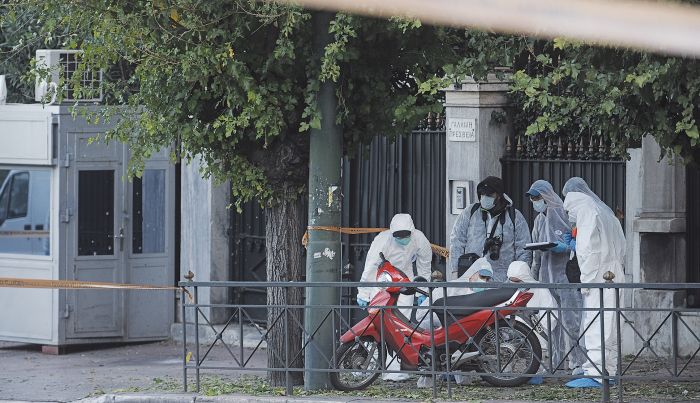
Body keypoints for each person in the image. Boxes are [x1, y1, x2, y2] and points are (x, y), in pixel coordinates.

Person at [562, 179, 626, 388]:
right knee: (611, 324)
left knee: (597, 323)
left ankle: (596, 373)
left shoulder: (584, 209)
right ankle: (609, 371)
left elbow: (587, 249)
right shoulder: (604, 211)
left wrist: (587, 280)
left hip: (598, 274)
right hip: (614, 272)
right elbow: (622, 245)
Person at [357, 213, 433, 381]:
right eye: (398, 236)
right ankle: (371, 366)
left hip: (405, 282)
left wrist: (422, 288)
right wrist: (363, 292)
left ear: (412, 231)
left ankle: (396, 369)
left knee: (400, 328)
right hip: (382, 282)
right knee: (378, 326)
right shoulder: (382, 240)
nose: (402, 238)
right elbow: (370, 267)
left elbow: (424, 265)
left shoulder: (419, 239)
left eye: (405, 235)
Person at [527, 180, 586, 376]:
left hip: (565, 277)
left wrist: (565, 247)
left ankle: (579, 363)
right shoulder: (539, 220)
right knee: (552, 322)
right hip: (547, 278)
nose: (535, 202)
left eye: (537, 197)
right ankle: (557, 362)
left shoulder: (564, 213)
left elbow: (576, 242)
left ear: (547, 196)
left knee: (572, 321)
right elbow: (536, 254)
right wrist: (534, 279)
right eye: (533, 199)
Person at [449, 176, 532, 282]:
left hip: (504, 282)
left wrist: (517, 278)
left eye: (489, 195)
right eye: (482, 194)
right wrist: (456, 272)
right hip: (472, 279)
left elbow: (524, 249)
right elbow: (456, 242)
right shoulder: (470, 212)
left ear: (499, 195)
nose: (485, 197)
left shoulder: (514, 216)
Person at [507, 261, 560, 385]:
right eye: (512, 281)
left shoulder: (540, 289)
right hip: (512, 330)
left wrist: (539, 327)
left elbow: (550, 313)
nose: (515, 284)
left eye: (518, 281)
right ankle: (507, 373)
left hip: (536, 330)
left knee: (539, 346)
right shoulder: (507, 289)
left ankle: (537, 372)